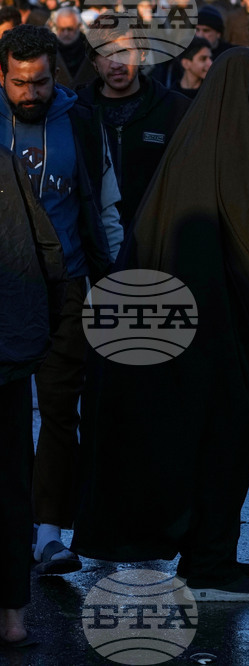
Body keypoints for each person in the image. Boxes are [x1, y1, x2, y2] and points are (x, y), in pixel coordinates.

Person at [72, 48, 249, 602]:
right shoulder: (232, 146)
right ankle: (208, 567)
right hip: (213, 336)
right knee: (222, 439)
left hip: (184, 332)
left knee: (200, 440)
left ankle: (211, 557)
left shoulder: (199, 142)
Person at [0, 24, 121, 576]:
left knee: (58, 409)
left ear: (56, 76)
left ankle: (49, 531)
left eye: (41, 82)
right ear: (2, 77)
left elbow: (107, 202)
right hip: (4, 287)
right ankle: (14, 525)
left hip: (68, 284)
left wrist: (114, 273)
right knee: (5, 415)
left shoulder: (80, 120)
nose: (30, 94)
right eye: (20, 83)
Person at [0, 145, 65, 649]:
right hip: (9, 348)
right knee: (10, 479)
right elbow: (45, 246)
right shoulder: (4, 160)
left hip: (9, 347)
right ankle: (13, 616)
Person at [77, 35, 191, 233]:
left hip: (156, 239)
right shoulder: (77, 111)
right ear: (94, 62)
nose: (116, 64)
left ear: (142, 55)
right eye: (106, 54)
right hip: (95, 243)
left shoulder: (176, 109)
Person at [50, 6, 95, 89]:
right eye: (62, 29)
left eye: (70, 29)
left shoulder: (90, 49)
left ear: (79, 26)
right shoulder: (50, 50)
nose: (66, 33)